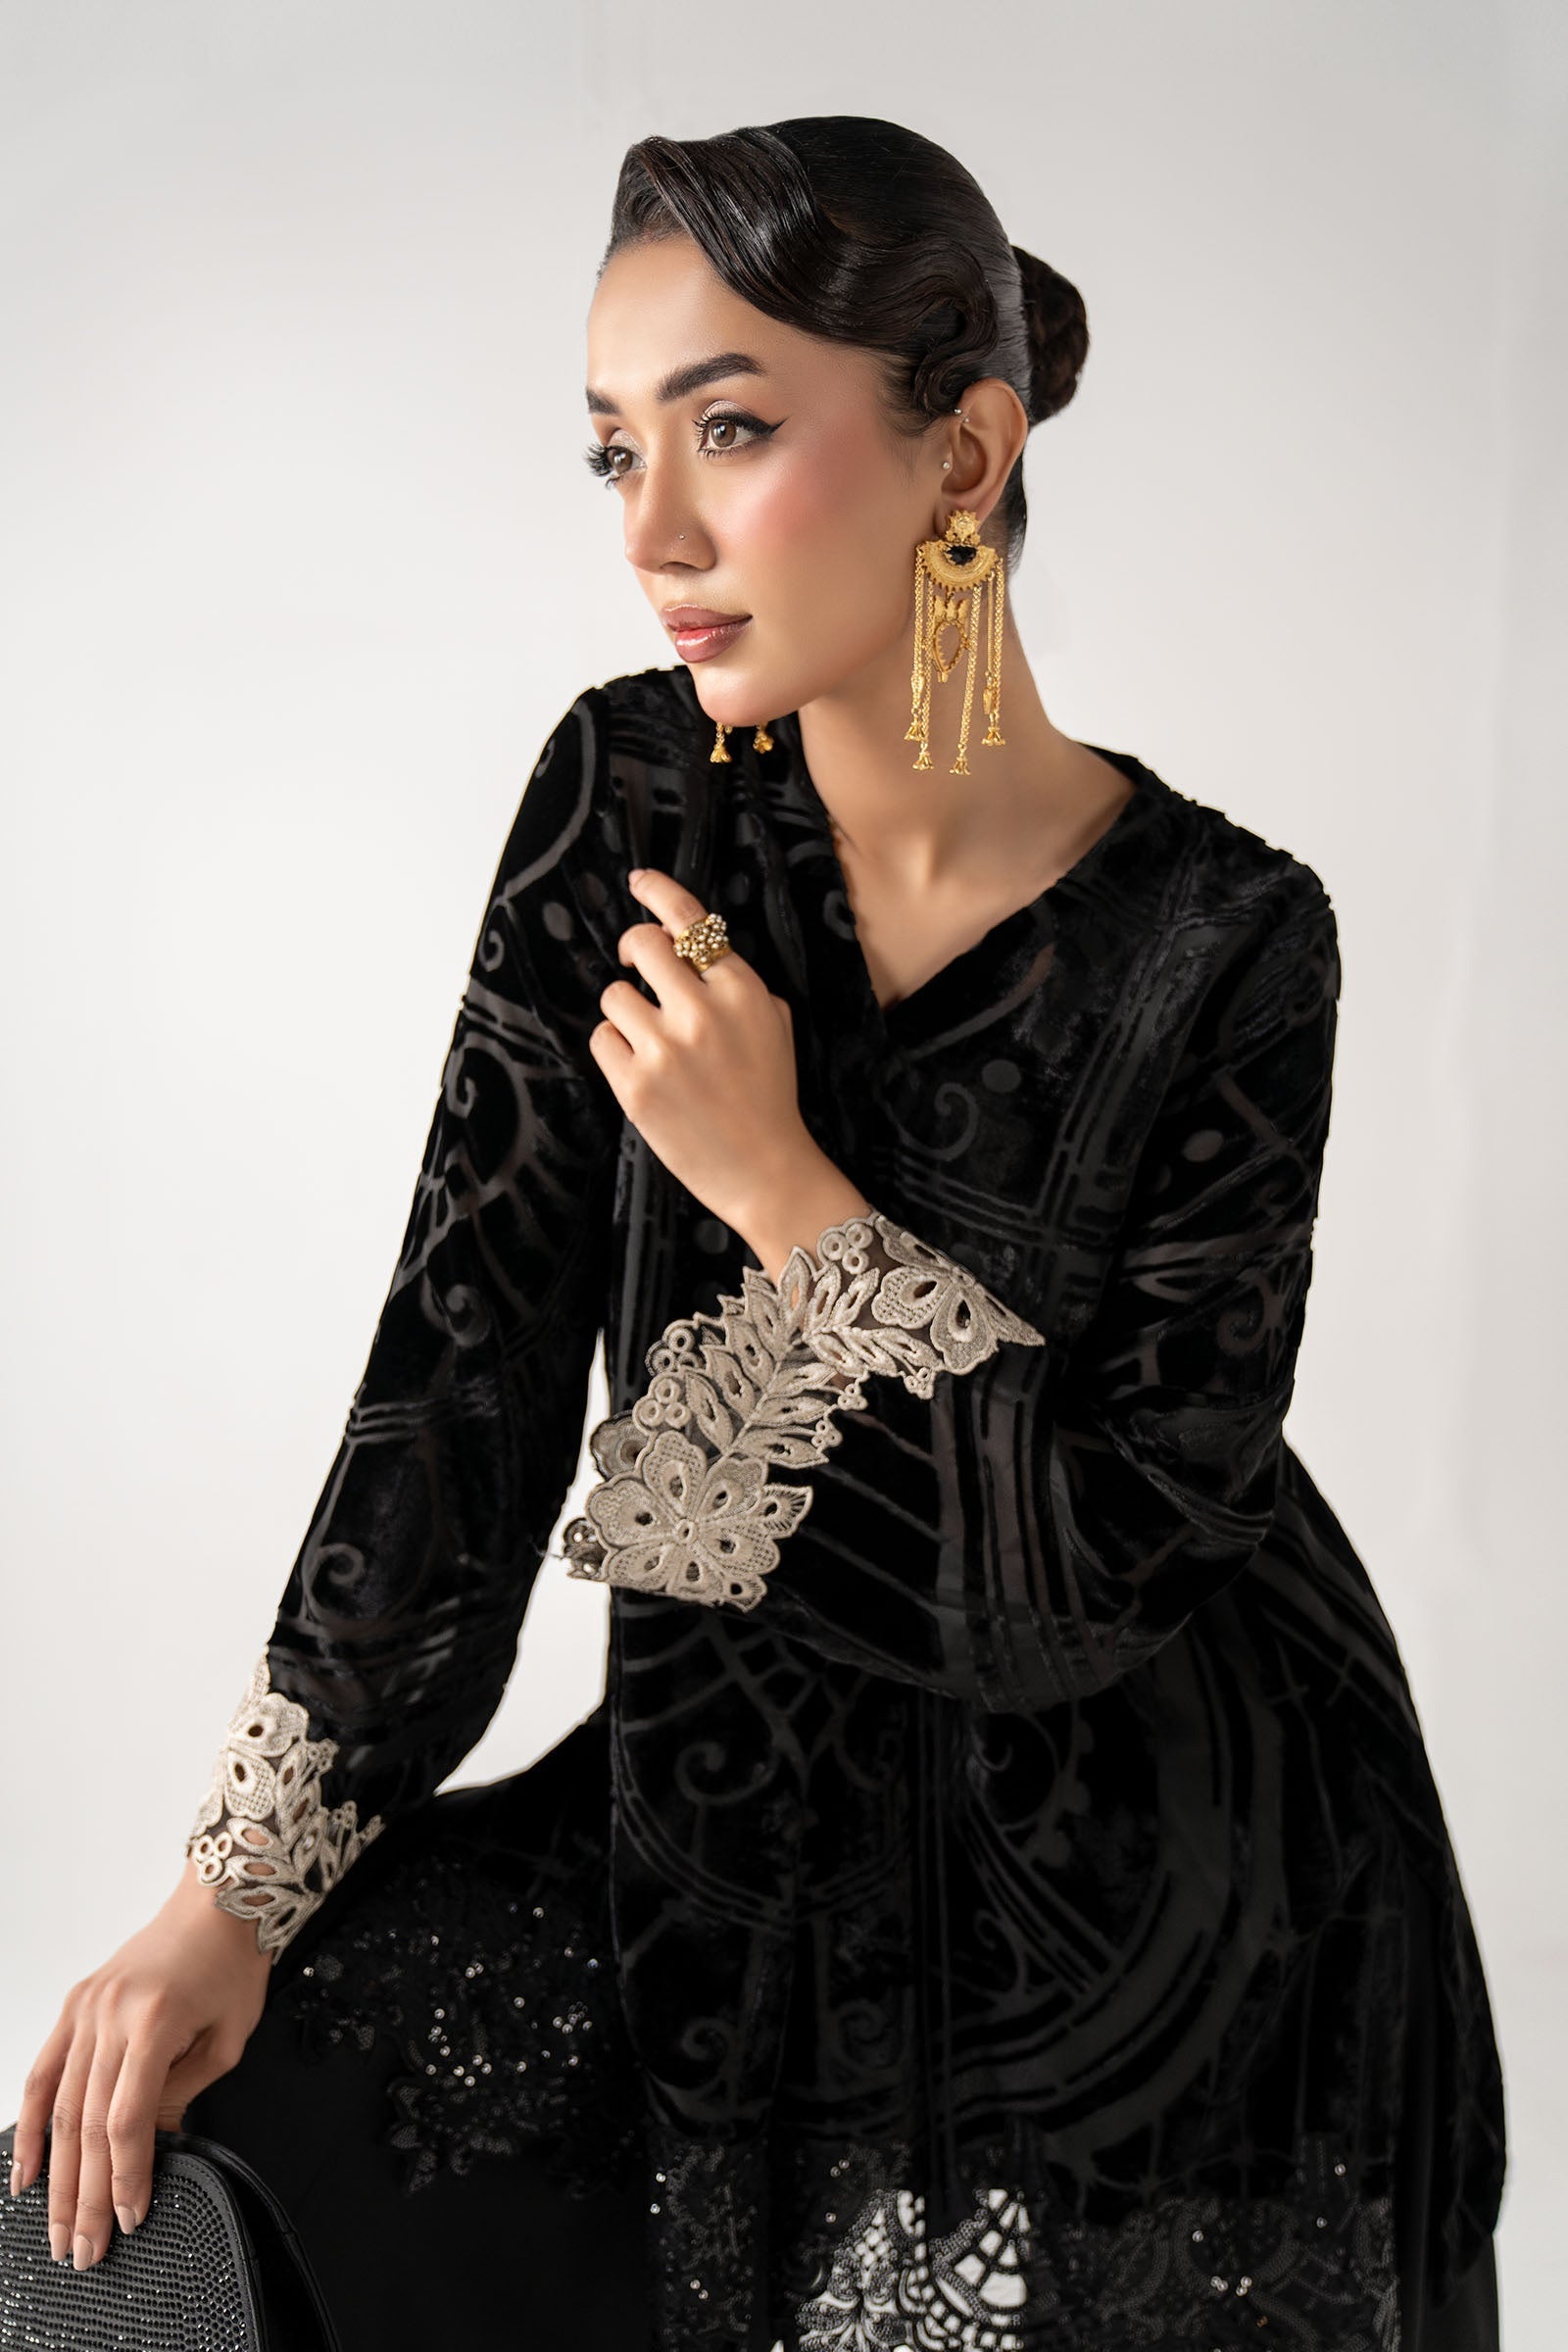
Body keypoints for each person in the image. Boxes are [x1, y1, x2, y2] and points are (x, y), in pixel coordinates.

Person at [10, 116, 1505, 2352]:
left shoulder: (1230, 941)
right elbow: (461, 1395)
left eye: (726, 430)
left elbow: (1103, 1562)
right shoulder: (629, 802)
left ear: (962, 454)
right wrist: (228, 1895)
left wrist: (780, 1187)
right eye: (613, 449)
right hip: (716, 1811)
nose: (653, 530)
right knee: (129, 2242)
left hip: (1174, 1902)